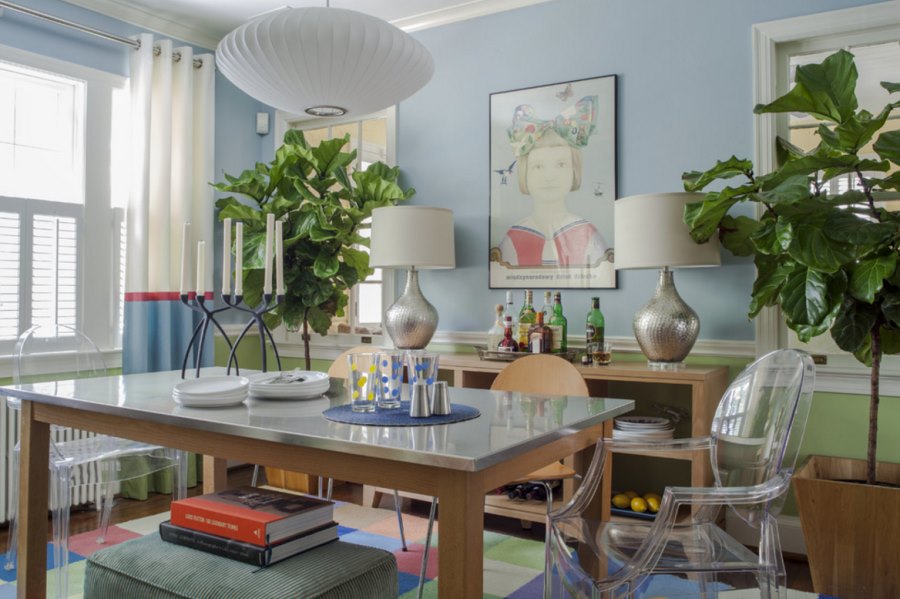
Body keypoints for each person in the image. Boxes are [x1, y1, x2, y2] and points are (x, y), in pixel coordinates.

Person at [496, 95, 607, 267]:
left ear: (574, 170)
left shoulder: (587, 235)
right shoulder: (513, 238)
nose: (549, 176)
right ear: (524, 173)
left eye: (561, 164)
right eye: (538, 166)